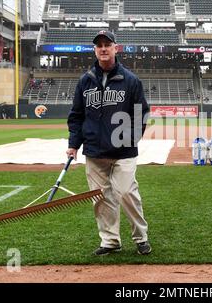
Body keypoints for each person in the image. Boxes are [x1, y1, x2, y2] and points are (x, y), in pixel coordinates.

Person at [66, 30, 151, 256]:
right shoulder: (85, 81)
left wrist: (130, 139)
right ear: (95, 50)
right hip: (94, 151)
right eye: (99, 45)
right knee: (101, 199)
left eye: (107, 44)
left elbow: (140, 114)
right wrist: (74, 144)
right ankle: (110, 240)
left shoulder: (131, 80)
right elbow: (76, 115)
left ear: (116, 48)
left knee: (126, 193)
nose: (103, 48)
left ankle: (141, 237)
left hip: (123, 151)